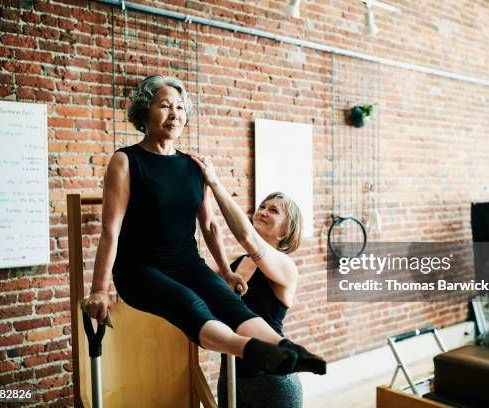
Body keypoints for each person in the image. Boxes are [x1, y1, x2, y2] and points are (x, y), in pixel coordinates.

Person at [82, 74, 326, 377]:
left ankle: (288, 348)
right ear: (145, 112)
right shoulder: (126, 161)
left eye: (181, 108)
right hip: (138, 269)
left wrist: (225, 271)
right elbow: (111, 230)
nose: (175, 114)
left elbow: (209, 225)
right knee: (189, 301)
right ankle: (249, 349)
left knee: (228, 302)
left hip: (186, 263)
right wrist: (99, 289)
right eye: (165, 106)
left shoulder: (193, 166)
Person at [191, 153, 306, 407]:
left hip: (273, 378)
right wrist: (200, 188)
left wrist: (215, 182)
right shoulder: (234, 264)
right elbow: (196, 278)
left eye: (273, 210)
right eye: (262, 206)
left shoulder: (286, 267)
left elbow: (247, 237)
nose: (263, 211)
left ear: (286, 230)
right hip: (231, 373)